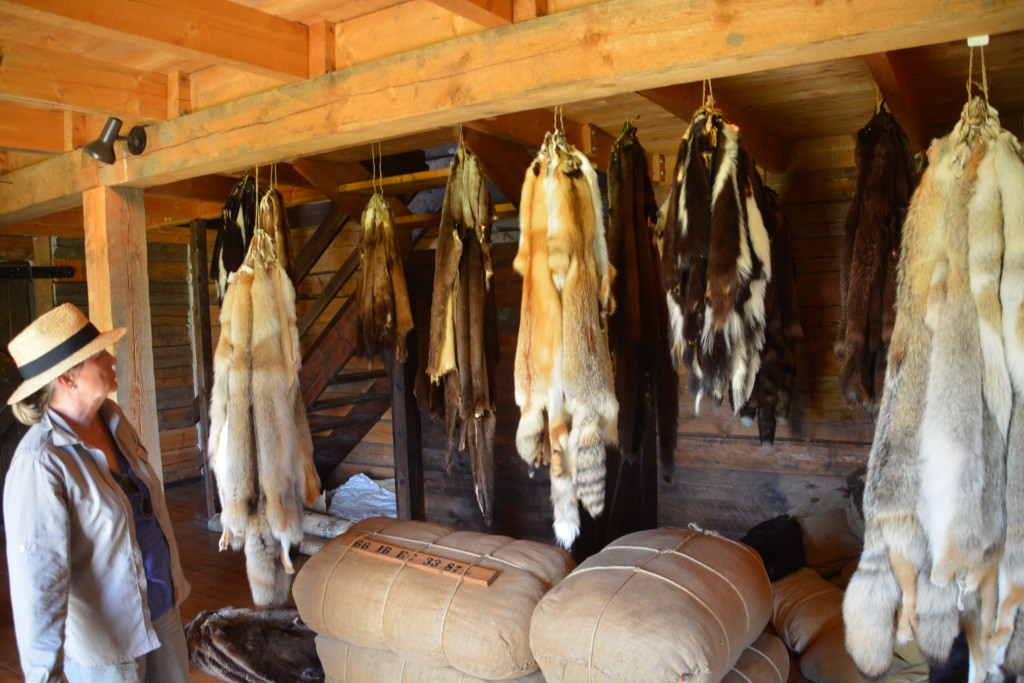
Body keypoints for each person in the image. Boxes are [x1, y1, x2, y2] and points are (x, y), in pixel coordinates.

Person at [4, 303, 191, 683]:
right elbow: (38, 581)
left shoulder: (115, 422)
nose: (110, 358)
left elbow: (145, 514)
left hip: (161, 610)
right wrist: (45, 675)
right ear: (67, 379)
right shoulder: (40, 463)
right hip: (109, 646)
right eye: (97, 355)